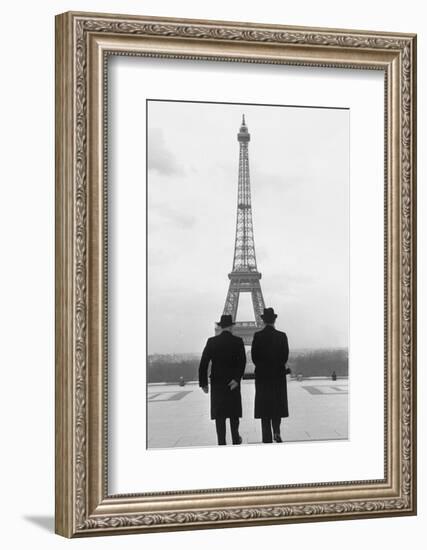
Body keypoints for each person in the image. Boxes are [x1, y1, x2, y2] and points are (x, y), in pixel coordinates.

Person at [199, 315, 246, 445]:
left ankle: (221, 442)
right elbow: (242, 363)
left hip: (217, 384)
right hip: (233, 384)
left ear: (220, 326)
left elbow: (203, 363)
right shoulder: (238, 341)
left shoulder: (211, 341)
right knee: (233, 414)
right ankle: (236, 438)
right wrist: (236, 379)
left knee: (220, 417)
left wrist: (203, 383)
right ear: (231, 326)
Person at [251, 308, 290, 443]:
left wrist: (264, 368)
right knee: (277, 406)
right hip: (278, 376)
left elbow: (254, 357)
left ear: (263, 320)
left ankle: (266, 436)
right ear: (274, 320)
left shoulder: (257, 336)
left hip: (263, 377)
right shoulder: (282, 336)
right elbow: (284, 357)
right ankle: (277, 431)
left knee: (264, 408)